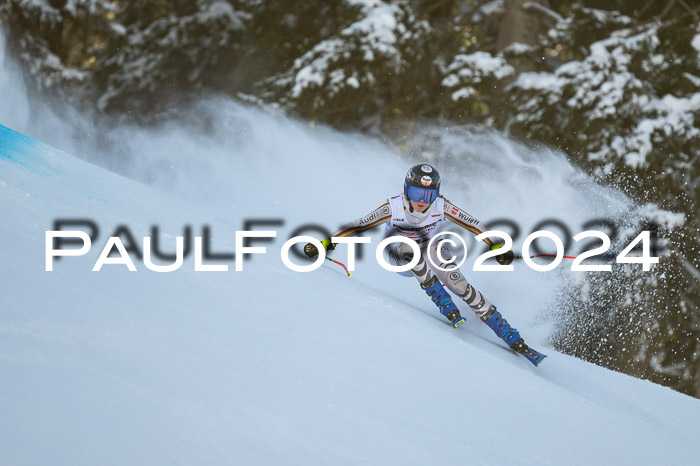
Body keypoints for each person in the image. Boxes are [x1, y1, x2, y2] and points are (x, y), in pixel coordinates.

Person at [304, 163, 534, 356]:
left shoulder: (441, 206)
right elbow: (360, 224)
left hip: (431, 250)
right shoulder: (393, 207)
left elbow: (473, 223)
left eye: (428, 195)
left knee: (458, 282)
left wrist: (495, 245)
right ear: (406, 191)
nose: (422, 201)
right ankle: (440, 297)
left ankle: (505, 330)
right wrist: (327, 243)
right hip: (399, 253)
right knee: (409, 248)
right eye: (416, 194)